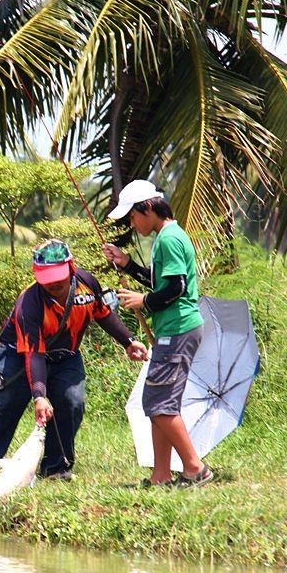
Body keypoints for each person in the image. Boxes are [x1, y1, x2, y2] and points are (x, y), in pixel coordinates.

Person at [0, 239, 148, 481]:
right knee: (2, 408)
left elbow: (102, 313)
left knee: (71, 402)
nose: (54, 284)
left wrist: (128, 341)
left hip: (65, 355)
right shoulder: (30, 301)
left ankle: (56, 470)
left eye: (59, 276)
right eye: (47, 278)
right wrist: (39, 395)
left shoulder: (87, 283)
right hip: (20, 355)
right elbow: (34, 353)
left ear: (71, 267)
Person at [102, 179, 214, 489]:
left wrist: (143, 302)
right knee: (161, 403)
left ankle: (195, 468)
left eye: (133, 217)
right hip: (175, 328)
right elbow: (160, 279)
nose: (132, 223)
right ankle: (161, 474)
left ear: (148, 208)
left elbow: (176, 287)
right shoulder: (169, 236)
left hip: (178, 329)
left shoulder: (167, 239)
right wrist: (128, 265)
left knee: (158, 403)